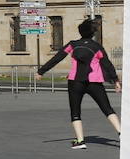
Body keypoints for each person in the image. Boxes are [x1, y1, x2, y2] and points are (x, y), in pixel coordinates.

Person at [37, 19, 122, 149]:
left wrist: (41, 71)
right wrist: (115, 80)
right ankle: (121, 134)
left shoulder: (73, 45)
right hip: (94, 82)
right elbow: (107, 64)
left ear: (80, 32)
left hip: (75, 82)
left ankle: (80, 141)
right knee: (107, 108)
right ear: (93, 33)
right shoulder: (97, 47)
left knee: (75, 111)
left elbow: (57, 58)